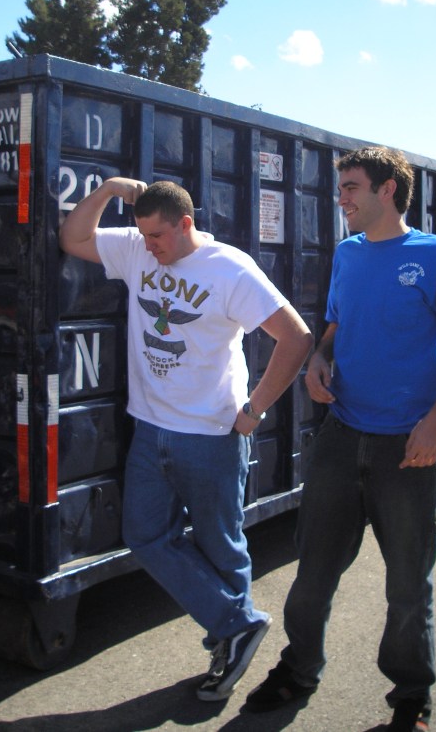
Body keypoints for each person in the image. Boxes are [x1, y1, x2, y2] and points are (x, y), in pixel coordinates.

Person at [245, 147, 436, 731]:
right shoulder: (349, 253)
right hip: (342, 434)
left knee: (407, 584)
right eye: (341, 189)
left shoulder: (435, 256)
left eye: (351, 187)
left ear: (388, 190)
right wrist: (318, 359)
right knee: (313, 571)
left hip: (409, 447)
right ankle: (299, 668)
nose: (342, 199)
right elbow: (335, 326)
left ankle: (411, 696)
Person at [59, 177, 313, 701]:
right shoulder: (137, 249)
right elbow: (73, 237)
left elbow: (296, 337)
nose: (149, 246)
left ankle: (228, 646)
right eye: (143, 236)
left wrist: (255, 409)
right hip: (150, 429)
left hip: (211, 436)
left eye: (158, 236)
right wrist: (107, 190)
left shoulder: (229, 268)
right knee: (145, 535)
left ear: (185, 225)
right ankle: (237, 625)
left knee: (222, 547)